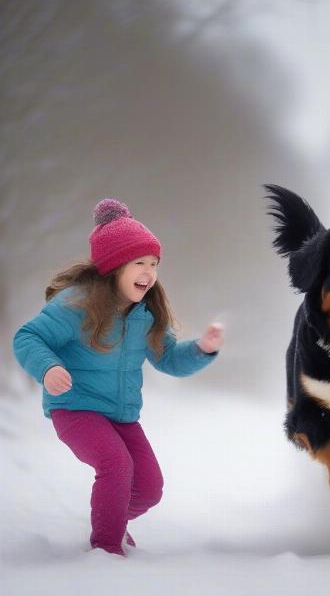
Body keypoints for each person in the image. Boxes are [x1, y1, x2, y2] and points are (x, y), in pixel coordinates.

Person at [13, 198, 224, 555]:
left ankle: (109, 521)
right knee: (116, 464)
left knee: (150, 487)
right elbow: (28, 337)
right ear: (113, 267)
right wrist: (48, 368)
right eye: (139, 263)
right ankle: (107, 550)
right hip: (75, 408)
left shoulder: (145, 314)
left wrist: (202, 349)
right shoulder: (77, 303)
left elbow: (169, 358)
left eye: (154, 263)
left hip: (121, 415)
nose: (149, 272)